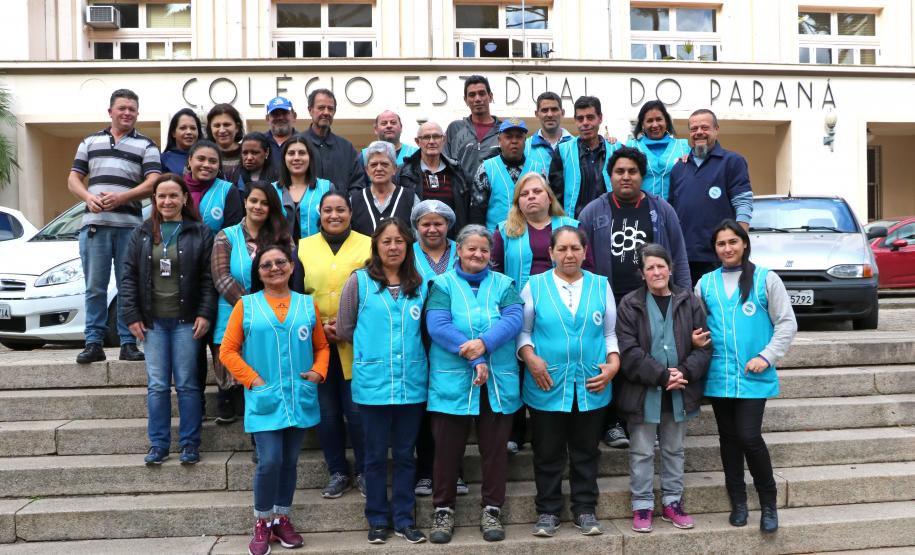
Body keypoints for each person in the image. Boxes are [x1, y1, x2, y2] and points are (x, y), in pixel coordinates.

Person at [219, 242, 330, 555]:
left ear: (292, 267)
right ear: (259, 273)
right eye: (266, 265)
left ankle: (282, 517)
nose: (274, 268)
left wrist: (319, 372)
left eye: (280, 262)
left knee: (290, 462)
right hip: (265, 397)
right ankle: (262, 520)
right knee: (270, 461)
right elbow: (227, 350)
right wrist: (252, 380)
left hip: (299, 395)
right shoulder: (247, 305)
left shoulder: (307, 305)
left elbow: (322, 346)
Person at [578, 146, 691, 450]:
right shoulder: (593, 212)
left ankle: (650, 419)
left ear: (642, 176)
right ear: (610, 175)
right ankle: (613, 423)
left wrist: (686, 300)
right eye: (619, 171)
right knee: (611, 357)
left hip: (652, 300)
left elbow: (678, 256)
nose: (625, 177)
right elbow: (582, 260)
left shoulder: (662, 210)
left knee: (650, 356)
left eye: (632, 172)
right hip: (608, 300)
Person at [517, 225, 620, 538]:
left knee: (586, 450)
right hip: (547, 382)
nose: (569, 254)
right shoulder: (533, 286)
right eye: (561, 249)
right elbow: (523, 332)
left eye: (575, 248)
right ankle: (548, 512)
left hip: (591, 383)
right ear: (550, 253)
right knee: (547, 450)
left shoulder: (601, 286)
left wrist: (614, 365)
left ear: (584, 251)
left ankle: (585, 510)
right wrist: (530, 358)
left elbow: (610, 334)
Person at [696, 220, 797, 534]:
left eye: (732, 242)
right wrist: (695, 340)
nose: (727, 248)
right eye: (721, 244)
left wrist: (765, 356)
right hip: (719, 376)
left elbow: (786, 323)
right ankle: (738, 502)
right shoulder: (705, 284)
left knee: (749, 437)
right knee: (728, 440)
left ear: (744, 244)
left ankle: (768, 502)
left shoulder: (767, 279)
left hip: (753, 376)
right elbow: (695, 324)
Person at [425, 224, 523, 544]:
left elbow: (513, 319)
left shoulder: (505, 284)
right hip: (453, 381)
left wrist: (483, 344)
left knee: (495, 450)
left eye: (484, 250)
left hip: (496, 381)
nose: (478, 254)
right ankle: (443, 510)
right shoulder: (441, 285)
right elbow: (438, 326)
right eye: (471, 249)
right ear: (459, 251)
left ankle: (492, 508)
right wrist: (475, 357)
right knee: (447, 451)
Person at [336, 218, 429, 545]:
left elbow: (427, 332)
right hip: (372, 385)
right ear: (376, 245)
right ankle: (377, 518)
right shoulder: (358, 282)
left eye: (399, 241)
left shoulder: (420, 284)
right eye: (387, 241)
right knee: (374, 457)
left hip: (411, 384)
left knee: (405, 455)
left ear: (408, 246)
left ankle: (404, 518)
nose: (393, 247)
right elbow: (345, 329)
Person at [119, 173, 216, 466]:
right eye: (162, 196)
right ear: (154, 200)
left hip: (187, 321)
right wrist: (132, 316)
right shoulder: (142, 233)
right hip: (153, 323)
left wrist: (205, 313)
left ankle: (189, 444)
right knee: (158, 384)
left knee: (187, 383)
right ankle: (159, 444)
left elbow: (208, 279)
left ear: (185, 198)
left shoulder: (200, 232)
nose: (167, 201)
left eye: (174, 195)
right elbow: (128, 277)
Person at [615, 243, 711, 534]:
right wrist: (660, 375)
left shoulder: (689, 301)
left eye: (661, 266)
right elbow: (628, 351)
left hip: (680, 391)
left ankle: (672, 503)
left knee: (674, 449)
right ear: (642, 274)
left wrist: (682, 372)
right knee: (642, 451)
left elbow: (705, 346)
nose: (656, 272)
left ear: (670, 268)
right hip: (644, 392)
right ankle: (642, 506)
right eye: (650, 268)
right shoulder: (630, 304)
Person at [68, 88, 161, 364]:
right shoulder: (89, 142)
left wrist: (123, 196)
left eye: (132, 109)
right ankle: (93, 342)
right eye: (122, 108)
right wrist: (88, 197)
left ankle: (128, 342)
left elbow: (154, 181)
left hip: (131, 228)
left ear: (137, 113)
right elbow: (73, 179)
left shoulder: (147, 145)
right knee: (94, 287)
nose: (127, 113)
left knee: (128, 286)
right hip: (94, 225)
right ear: (110, 111)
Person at [492, 172, 579, 455]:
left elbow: (588, 268)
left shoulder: (571, 226)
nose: (531, 197)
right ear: (517, 200)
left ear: (549, 197)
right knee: (516, 368)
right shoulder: (505, 230)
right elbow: (495, 273)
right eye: (525, 193)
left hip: (566, 307)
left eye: (537, 192)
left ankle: (566, 425)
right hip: (519, 309)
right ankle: (515, 431)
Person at [298, 192, 372, 498]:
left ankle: (366, 470)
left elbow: (373, 291)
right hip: (316, 343)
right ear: (320, 214)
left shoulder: (368, 244)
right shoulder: (302, 247)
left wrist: (344, 327)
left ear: (350, 212)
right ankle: (338, 471)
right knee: (327, 413)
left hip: (356, 340)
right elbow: (297, 293)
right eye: (327, 210)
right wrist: (319, 329)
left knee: (357, 412)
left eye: (340, 209)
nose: (334, 215)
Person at [211, 182, 291, 425]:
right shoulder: (226, 235)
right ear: (245, 202)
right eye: (254, 200)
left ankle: (263, 439)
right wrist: (253, 308)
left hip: (274, 320)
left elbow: (289, 272)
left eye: (264, 203)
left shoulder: (281, 238)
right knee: (239, 383)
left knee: (264, 383)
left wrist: (265, 311)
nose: (258, 206)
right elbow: (221, 277)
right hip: (232, 316)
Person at [408, 200, 469, 499]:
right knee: (423, 404)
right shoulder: (407, 252)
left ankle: (454, 470)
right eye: (425, 223)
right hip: (416, 334)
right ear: (416, 226)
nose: (432, 229)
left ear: (448, 225)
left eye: (439, 223)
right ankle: (425, 471)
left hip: (456, 335)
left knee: (451, 406)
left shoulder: (463, 248)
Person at [669, 109, 754, 285]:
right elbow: (672, 210)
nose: (699, 132)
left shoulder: (733, 162)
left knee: (718, 309)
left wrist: (740, 244)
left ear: (716, 129)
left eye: (704, 127)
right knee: (688, 309)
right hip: (684, 258)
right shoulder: (678, 168)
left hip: (720, 255)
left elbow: (743, 204)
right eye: (693, 129)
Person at [397, 122, 477, 238]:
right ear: (417, 141)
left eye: (436, 136)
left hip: (453, 245)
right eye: (426, 137)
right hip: (415, 245)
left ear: (443, 139)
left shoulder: (459, 173)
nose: (431, 141)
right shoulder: (403, 173)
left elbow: (471, 213)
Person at [549, 96, 622, 218]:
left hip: (611, 225)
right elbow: (555, 197)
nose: (585, 123)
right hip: (574, 227)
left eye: (590, 117)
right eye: (580, 118)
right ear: (575, 120)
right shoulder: (563, 151)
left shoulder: (617, 149)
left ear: (600, 118)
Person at [473, 118, 549, 230]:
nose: (514, 141)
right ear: (499, 140)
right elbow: (477, 212)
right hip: (495, 240)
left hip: (530, 240)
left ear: (525, 140)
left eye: (519, 137)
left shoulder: (538, 170)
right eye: (509, 137)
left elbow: (547, 208)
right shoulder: (486, 169)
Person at [302, 88, 366, 194]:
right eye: (321, 108)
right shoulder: (297, 145)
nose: (326, 112)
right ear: (310, 110)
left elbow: (357, 184)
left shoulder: (346, 148)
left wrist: (346, 205)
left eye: (330, 109)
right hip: (305, 210)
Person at [351, 141, 419, 236]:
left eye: (384, 164)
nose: (379, 169)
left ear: (395, 169)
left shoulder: (410, 199)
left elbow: (418, 238)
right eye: (374, 165)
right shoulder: (354, 200)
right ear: (367, 170)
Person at [274, 135, 333, 242]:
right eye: (291, 153)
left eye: (302, 153)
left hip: (318, 254)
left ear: (310, 157)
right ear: (284, 158)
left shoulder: (327, 188)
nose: (296, 158)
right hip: (279, 255)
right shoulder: (272, 190)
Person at [626, 100, 689, 200]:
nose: (655, 125)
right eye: (650, 121)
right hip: (641, 209)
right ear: (643, 124)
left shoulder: (683, 147)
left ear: (666, 122)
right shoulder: (631, 146)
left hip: (675, 211)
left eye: (659, 119)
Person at [443, 75, 503, 179]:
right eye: (472, 95)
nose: (477, 99)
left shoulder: (504, 131)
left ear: (490, 96)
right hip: (462, 194)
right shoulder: (455, 129)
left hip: (495, 194)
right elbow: (444, 164)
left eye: (482, 93)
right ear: (465, 100)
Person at [184, 140, 244, 234]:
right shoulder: (177, 187)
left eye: (213, 161)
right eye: (201, 159)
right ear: (190, 160)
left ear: (219, 165)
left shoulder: (228, 190)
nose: (207, 165)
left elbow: (232, 233)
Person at [524, 92, 573, 170]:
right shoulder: (526, 147)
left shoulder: (576, 145)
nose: (550, 114)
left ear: (562, 113)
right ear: (537, 114)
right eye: (544, 110)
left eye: (554, 109)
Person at [206, 103, 245, 184]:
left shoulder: (247, 153)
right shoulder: (203, 154)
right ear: (210, 128)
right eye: (217, 125)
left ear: (237, 127)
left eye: (226, 125)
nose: (222, 130)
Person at [160, 108, 202, 175]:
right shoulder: (163, 159)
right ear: (173, 133)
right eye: (183, 128)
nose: (189, 132)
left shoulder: (207, 158)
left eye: (193, 128)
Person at [264, 96, 299, 174]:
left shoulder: (305, 141)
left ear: (294, 116)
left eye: (285, 113)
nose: (280, 117)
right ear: (267, 118)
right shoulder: (259, 142)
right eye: (275, 114)